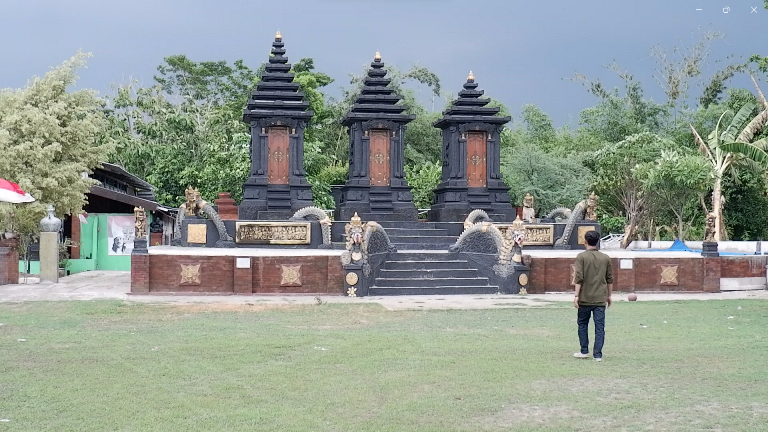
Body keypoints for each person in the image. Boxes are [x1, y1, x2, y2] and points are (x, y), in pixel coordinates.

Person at [572, 230, 613, 361]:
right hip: (600, 298)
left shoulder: (581, 257)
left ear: (585, 242)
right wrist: (609, 296)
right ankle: (598, 354)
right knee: (599, 327)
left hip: (585, 298)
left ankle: (584, 351)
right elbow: (609, 279)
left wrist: (576, 296)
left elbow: (579, 278)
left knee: (582, 324)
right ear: (598, 242)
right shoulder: (605, 258)